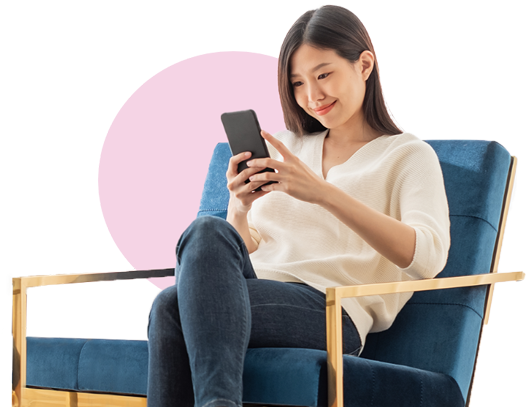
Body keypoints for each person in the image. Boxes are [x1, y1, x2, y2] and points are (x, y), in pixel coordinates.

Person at [147, 4, 450, 407]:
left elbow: (428, 258)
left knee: (171, 304)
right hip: (253, 287)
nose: (312, 96)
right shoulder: (286, 148)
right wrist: (239, 206)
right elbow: (248, 247)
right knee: (206, 230)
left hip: (333, 308)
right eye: (297, 83)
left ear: (364, 65)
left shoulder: (407, 156)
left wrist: (323, 193)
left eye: (324, 74)